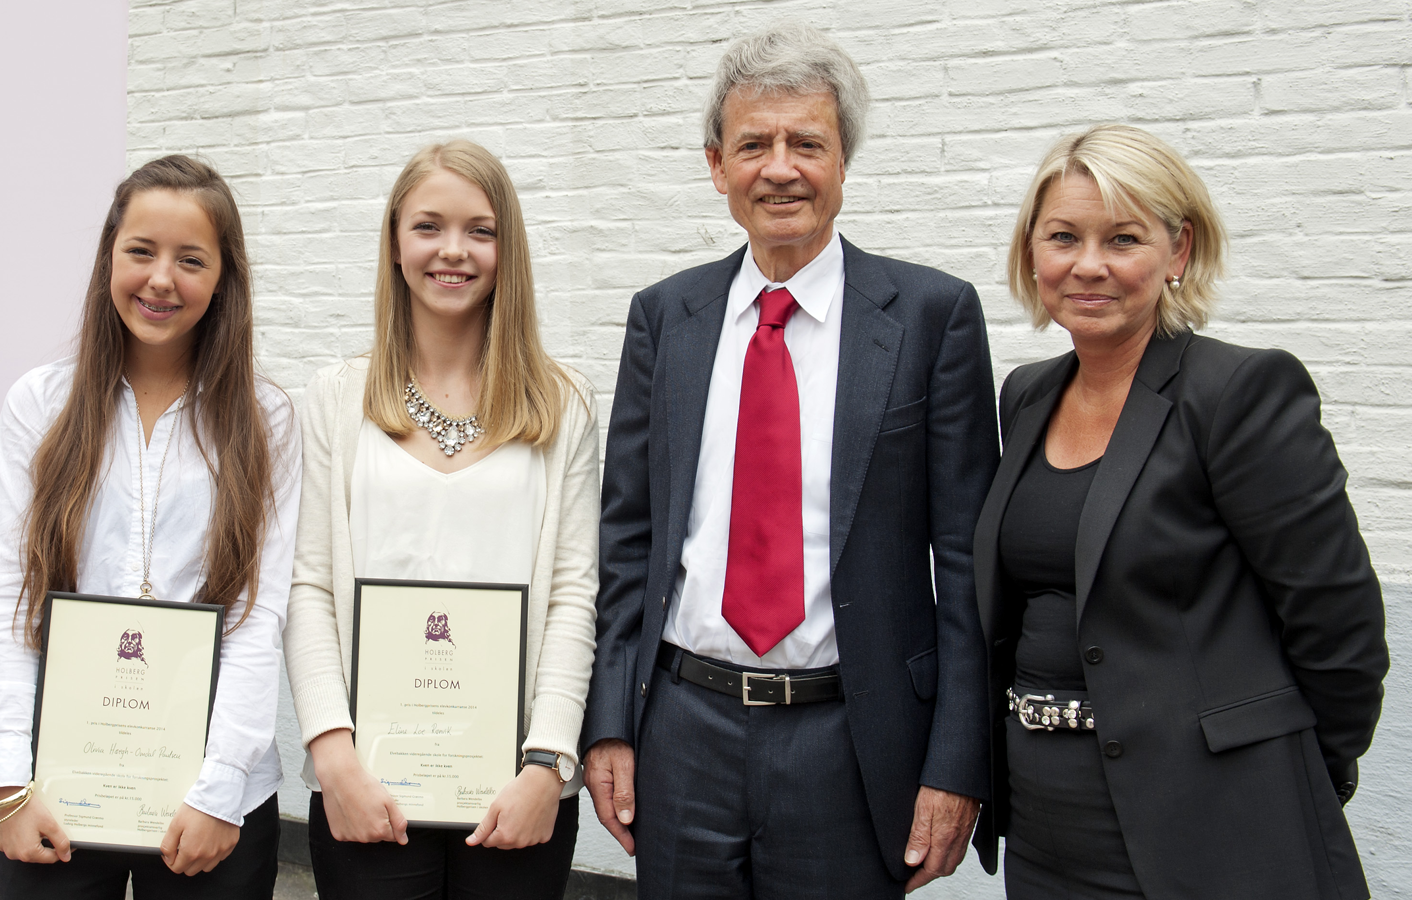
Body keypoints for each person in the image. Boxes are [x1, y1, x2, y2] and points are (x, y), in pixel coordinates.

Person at [583, 23, 1000, 898]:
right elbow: (628, 538)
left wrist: (958, 762)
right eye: (754, 145)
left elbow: (967, 566)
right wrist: (610, 724)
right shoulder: (665, 317)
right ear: (716, 165)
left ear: (843, 160)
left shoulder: (931, 318)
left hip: (850, 739)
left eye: (807, 142)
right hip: (682, 730)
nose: (781, 168)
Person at [972, 123, 1388, 899]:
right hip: (1045, 823)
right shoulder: (1027, 396)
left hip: (1211, 824)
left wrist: (1286, 772)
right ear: (1033, 251)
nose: (1088, 265)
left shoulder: (1237, 394)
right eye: (1063, 236)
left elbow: (1339, 624)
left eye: (1123, 238)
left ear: (1179, 252)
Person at [0, 155, 301, 898]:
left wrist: (220, 791)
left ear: (224, 279)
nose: (161, 279)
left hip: (209, 803)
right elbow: (10, 603)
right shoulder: (40, 404)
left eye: (191, 260)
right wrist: (8, 784)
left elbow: (258, 618)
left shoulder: (267, 420)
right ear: (108, 258)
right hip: (49, 787)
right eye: (141, 251)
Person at [282, 139, 600, 900]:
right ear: (395, 243)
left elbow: (572, 597)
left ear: (507, 248)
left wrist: (547, 763)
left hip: (515, 791)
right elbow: (308, 587)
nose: (452, 251)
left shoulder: (564, 404)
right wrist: (332, 754)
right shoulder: (334, 399)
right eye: (428, 226)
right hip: (366, 784)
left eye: (480, 231)